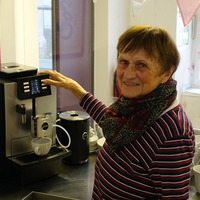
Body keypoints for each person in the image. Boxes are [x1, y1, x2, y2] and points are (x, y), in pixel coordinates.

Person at [39, 25, 195, 200]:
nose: (128, 74)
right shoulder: (140, 105)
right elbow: (112, 121)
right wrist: (76, 89)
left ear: (166, 72)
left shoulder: (173, 133)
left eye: (141, 65)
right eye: (124, 62)